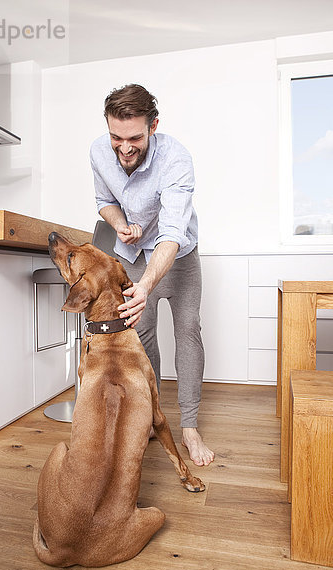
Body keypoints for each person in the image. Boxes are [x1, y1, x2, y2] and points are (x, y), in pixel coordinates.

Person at [89, 83, 214, 467]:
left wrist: (145, 285)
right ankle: (151, 418)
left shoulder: (176, 159)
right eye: (116, 137)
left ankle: (189, 428)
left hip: (177, 256)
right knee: (142, 339)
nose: (124, 148)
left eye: (135, 138)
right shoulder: (98, 151)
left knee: (187, 331)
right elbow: (104, 203)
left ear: (153, 126)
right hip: (132, 253)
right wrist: (122, 223)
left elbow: (173, 231)